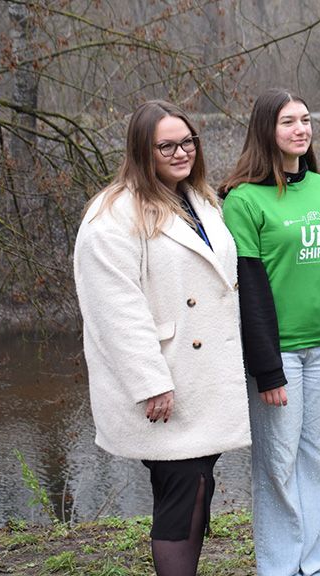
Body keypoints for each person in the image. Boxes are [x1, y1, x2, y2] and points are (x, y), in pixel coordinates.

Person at [74, 100, 251, 576]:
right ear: (141, 151)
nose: (181, 152)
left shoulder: (199, 199)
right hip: (165, 380)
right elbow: (115, 311)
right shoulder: (111, 215)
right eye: (166, 146)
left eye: (187, 141)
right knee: (184, 492)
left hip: (204, 376)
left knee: (197, 487)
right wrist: (150, 382)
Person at [221, 89, 320, 576]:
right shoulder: (243, 200)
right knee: (278, 463)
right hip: (280, 352)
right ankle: (277, 567)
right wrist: (267, 368)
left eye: (306, 120)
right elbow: (249, 288)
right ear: (265, 130)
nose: (301, 129)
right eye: (288, 121)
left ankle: (309, 563)